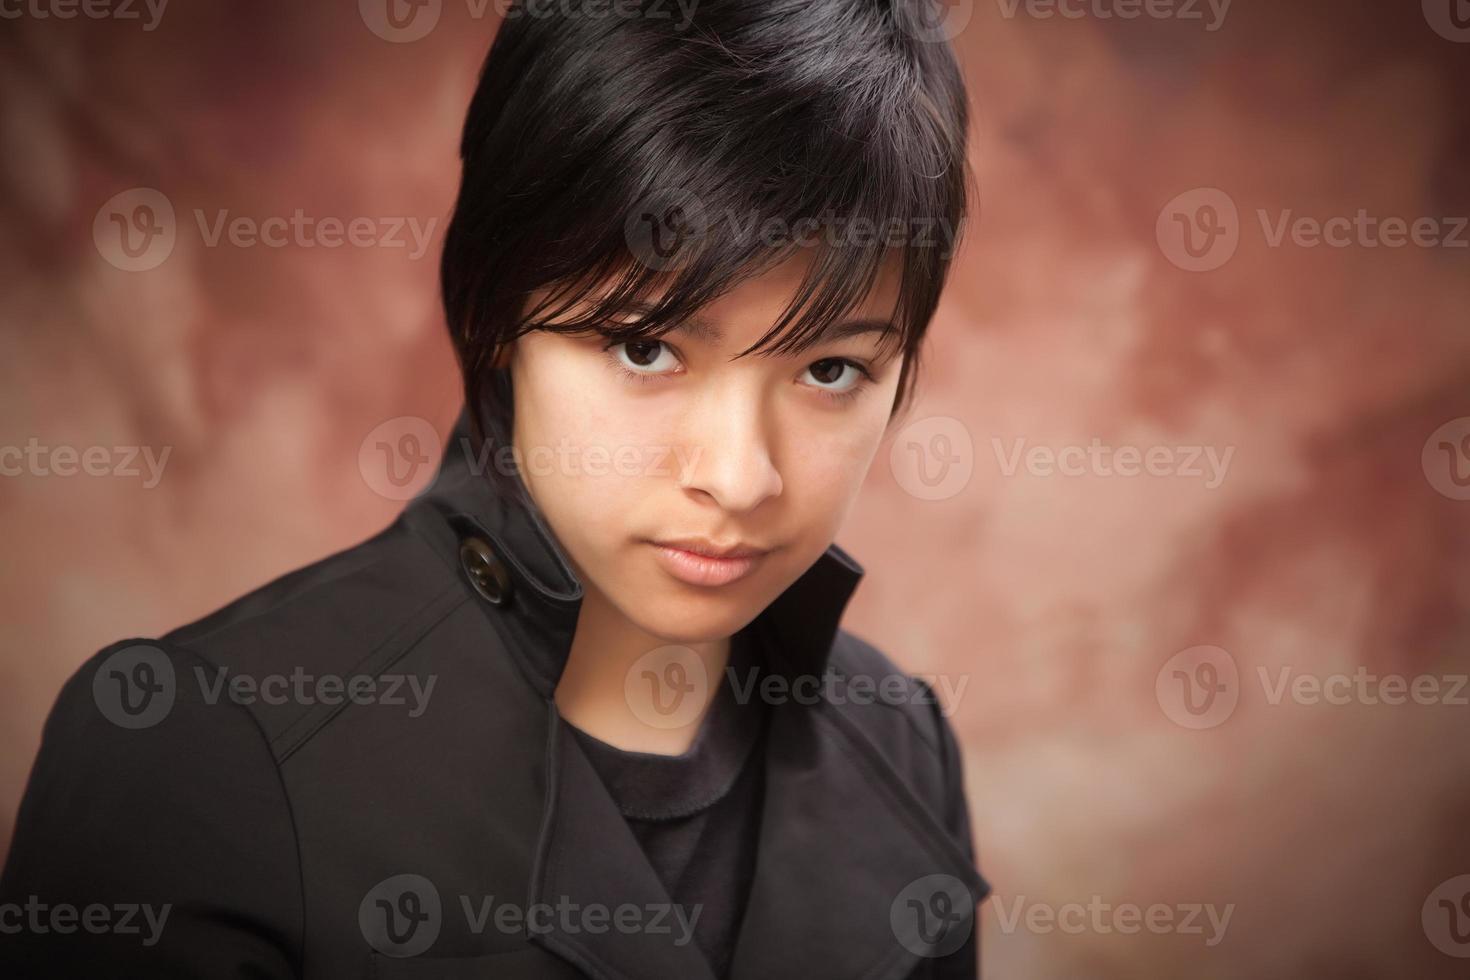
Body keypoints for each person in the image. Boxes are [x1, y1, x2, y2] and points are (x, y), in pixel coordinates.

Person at [0, 0, 990, 976]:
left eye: (830, 371)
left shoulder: (900, 743)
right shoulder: (194, 753)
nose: (738, 476)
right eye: (645, 348)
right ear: (497, 314)